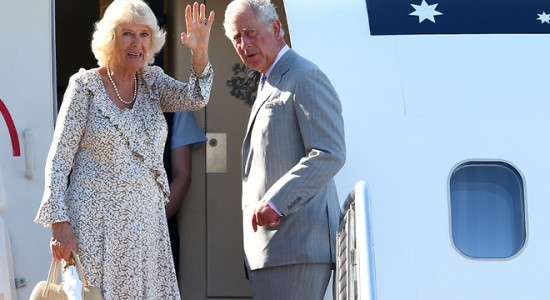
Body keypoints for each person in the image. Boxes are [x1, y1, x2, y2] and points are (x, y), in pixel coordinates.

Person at [34, 0, 214, 298]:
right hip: (94, 226)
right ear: (110, 38)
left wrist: (199, 51)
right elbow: (59, 159)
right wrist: (59, 222)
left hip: (145, 226)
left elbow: (196, 97)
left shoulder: (153, 82)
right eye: (128, 33)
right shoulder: (84, 87)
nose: (137, 43)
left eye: (144, 34)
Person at [223, 0, 346, 299]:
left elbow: (329, 152)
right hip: (275, 250)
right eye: (237, 37)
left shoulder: (303, 76)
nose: (244, 43)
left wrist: (276, 203)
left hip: (296, 245)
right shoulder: (269, 80)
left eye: (251, 32)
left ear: (276, 28)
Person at [163, 111, 207, 275]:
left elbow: (182, 176)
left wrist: (150, 224)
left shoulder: (175, 105)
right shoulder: (87, 96)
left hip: (155, 233)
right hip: (98, 227)